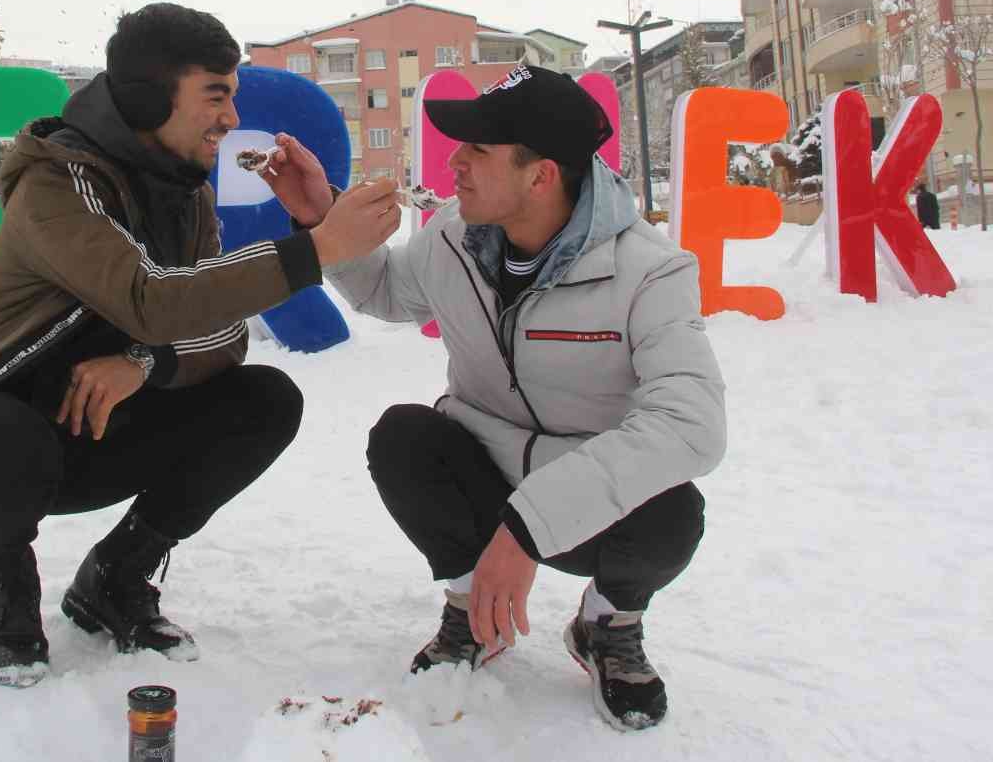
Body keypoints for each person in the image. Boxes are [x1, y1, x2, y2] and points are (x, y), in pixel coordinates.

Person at [0, 3, 400, 688]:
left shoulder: (185, 193)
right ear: (147, 97)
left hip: (104, 428)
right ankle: (10, 593)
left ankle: (114, 578)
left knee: (264, 399)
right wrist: (313, 250)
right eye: (215, 95)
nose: (231, 116)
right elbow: (149, 297)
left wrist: (145, 362)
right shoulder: (57, 181)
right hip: (0, 448)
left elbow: (222, 332)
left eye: (234, 94)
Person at [259, 63, 726, 731]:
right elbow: (391, 292)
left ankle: (607, 622)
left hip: (584, 502)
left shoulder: (650, 270)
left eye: (479, 150)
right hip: (484, 464)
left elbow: (694, 426)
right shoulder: (454, 233)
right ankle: (469, 613)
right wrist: (319, 215)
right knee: (405, 437)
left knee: (672, 511)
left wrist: (530, 527)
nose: (456, 162)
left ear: (541, 177)